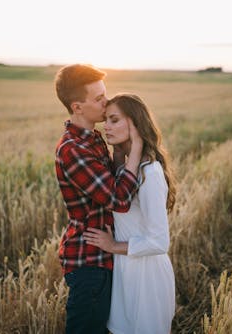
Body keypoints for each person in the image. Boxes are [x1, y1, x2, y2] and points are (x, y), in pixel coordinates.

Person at [54, 64, 144, 334]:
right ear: (77, 107)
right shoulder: (73, 149)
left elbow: (112, 184)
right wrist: (136, 148)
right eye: (98, 99)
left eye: (104, 94)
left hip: (103, 256)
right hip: (88, 261)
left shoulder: (93, 139)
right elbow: (118, 199)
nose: (106, 103)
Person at [83, 93, 177, 334]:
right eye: (106, 120)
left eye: (114, 120)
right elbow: (120, 197)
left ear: (134, 123)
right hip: (125, 270)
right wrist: (118, 157)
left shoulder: (150, 173)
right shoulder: (128, 168)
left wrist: (112, 246)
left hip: (146, 277)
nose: (106, 126)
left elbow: (159, 241)